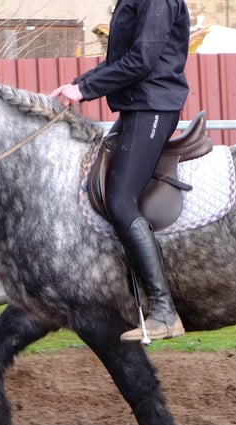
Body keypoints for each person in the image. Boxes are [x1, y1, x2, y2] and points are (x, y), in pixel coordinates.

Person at [51, 0, 190, 342]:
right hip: (137, 106)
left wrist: (84, 90)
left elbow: (141, 61)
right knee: (92, 184)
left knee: (119, 200)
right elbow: (119, 62)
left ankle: (164, 311)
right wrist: (77, 84)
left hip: (153, 105)